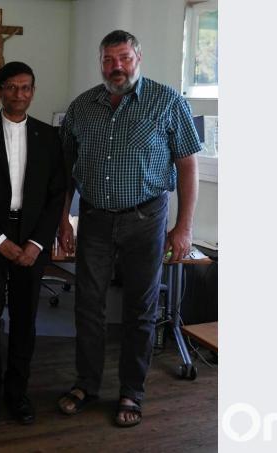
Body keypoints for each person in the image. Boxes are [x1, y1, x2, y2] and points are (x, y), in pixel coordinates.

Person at [56, 30, 201, 428]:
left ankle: (131, 392)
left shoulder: (168, 101)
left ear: (138, 57)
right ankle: (86, 384)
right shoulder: (83, 106)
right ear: (100, 61)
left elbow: (188, 165)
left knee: (141, 309)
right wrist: (60, 220)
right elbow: (65, 169)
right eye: (108, 59)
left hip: (146, 218)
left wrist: (183, 227)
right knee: (88, 305)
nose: (115, 67)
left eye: (123, 58)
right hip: (95, 219)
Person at [0, 62, 65, 425]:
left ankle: (17, 392)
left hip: (31, 238)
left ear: (33, 91)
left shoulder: (49, 138)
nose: (19, 94)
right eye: (12, 87)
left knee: (24, 320)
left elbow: (56, 196)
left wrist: (36, 243)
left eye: (26, 88)